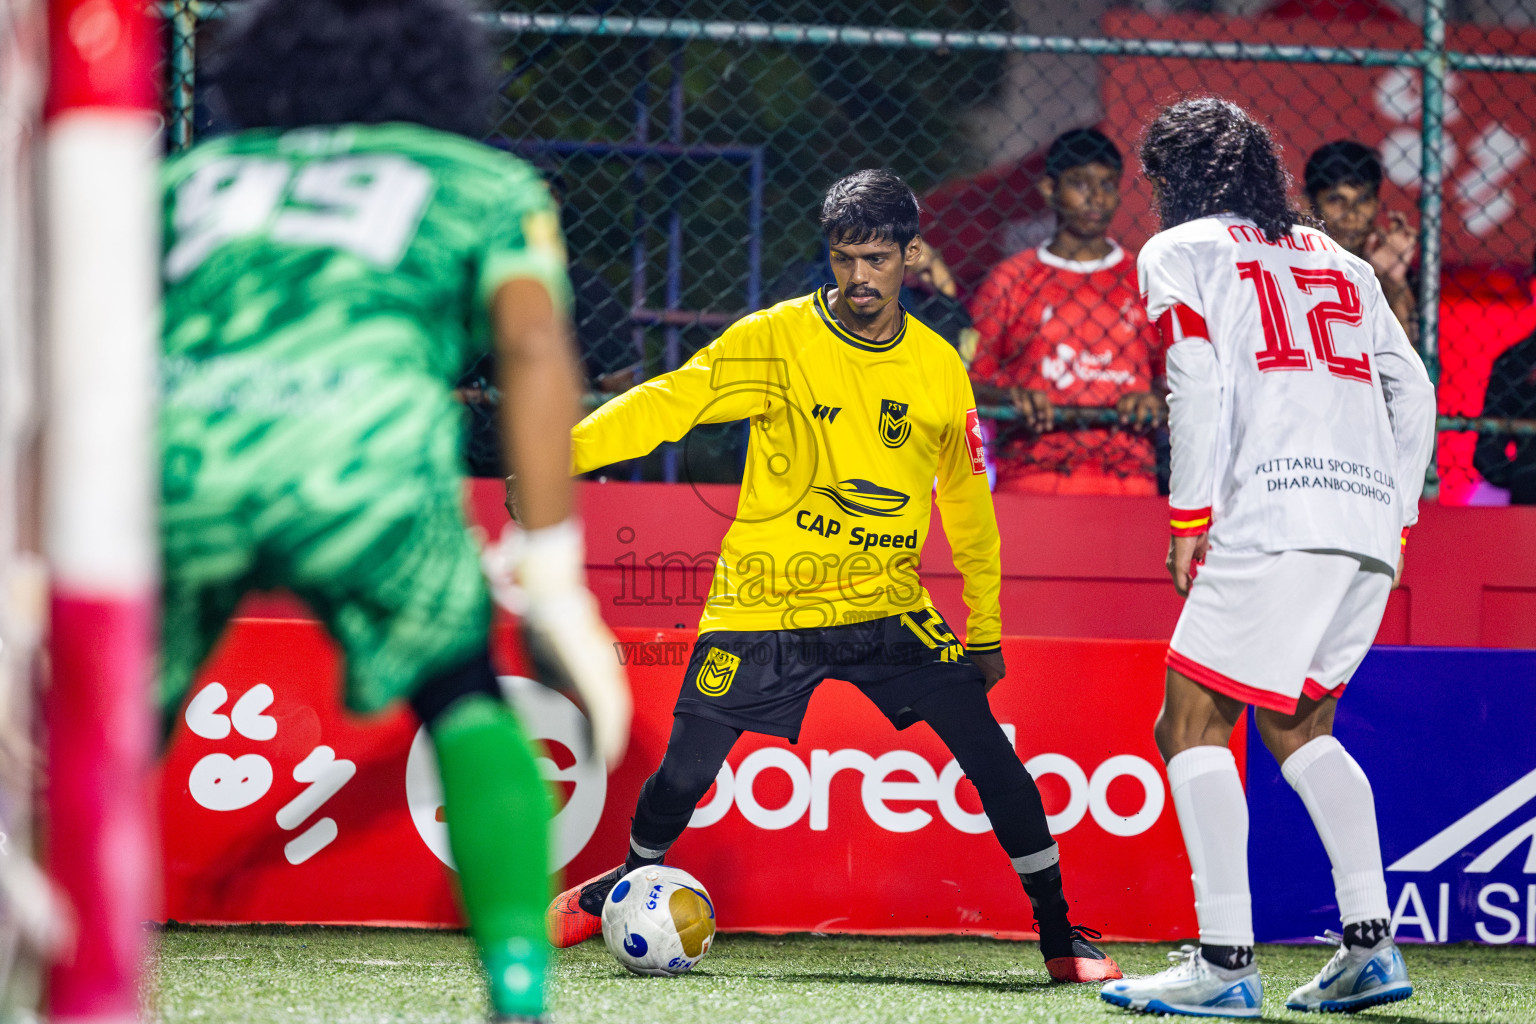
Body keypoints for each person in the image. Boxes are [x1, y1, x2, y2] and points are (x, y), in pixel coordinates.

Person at [158, 2, 630, 1021]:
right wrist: (550, 567)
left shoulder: (188, 180)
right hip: (359, 460)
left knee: (97, 731)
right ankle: (517, 984)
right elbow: (536, 346)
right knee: (464, 696)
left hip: (179, 457)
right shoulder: (482, 183)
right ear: (444, 69)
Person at [545, 169, 1122, 984]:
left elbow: (966, 502)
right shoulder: (777, 338)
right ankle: (621, 881)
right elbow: (670, 401)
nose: (859, 278)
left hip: (887, 606)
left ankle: (1062, 936)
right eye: (845, 258)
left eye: (877, 259)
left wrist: (984, 626)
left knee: (991, 754)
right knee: (684, 771)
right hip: (766, 598)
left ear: (909, 256)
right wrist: (558, 455)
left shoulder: (935, 369)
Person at [1098, 99, 1436, 1018]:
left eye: (1159, 178)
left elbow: (1195, 378)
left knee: (1191, 722)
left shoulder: (1180, 251)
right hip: (1365, 524)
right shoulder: (1341, 260)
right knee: (1299, 726)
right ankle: (1371, 945)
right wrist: (1397, 516)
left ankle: (1223, 961)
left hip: (1275, 510)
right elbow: (1416, 390)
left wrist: (1187, 515)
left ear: (1178, 180)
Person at [968, 128, 1166, 496]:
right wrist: (1011, 398)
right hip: (1033, 477)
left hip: (1130, 477)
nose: (1096, 197)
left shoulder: (1144, 280)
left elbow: (1179, 382)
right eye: (1080, 183)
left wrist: (1155, 399)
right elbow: (967, 386)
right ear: (1049, 189)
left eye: (1107, 185)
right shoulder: (1011, 280)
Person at [1304, 140, 1417, 338]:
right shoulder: (1293, 262)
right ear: (1310, 203)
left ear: (1376, 203)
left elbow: (1416, 361)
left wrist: (1393, 282)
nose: (1352, 214)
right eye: (1336, 200)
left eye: (1363, 200)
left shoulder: (1396, 268)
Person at [1473, 327, 1536, 503]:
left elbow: (1488, 456)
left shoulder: (1516, 359)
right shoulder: (1517, 360)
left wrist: (1520, 477)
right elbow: (1488, 456)